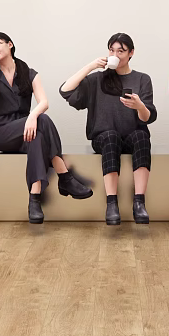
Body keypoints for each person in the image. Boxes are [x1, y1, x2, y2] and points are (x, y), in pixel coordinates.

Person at [0, 32, 92, 223]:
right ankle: (65, 177)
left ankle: (35, 199)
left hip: (27, 129)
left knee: (38, 137)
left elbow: (44, 102)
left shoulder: (29, 72)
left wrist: (32, 115)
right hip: (2, 131)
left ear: (10, 45)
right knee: (44, 120)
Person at [60, 33, 157, 225]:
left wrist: (139, 106)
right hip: (104, 138)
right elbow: (65, 91)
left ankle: (139, 203)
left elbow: (148, 118)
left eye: (120, 51)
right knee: (111, 137)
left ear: (131, 53)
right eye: (112, 50)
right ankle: (111, 203)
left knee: (141, 136)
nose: (115, 55)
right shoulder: (98, 79)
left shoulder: (142, 79)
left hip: (131, 137)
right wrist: (90, 67)